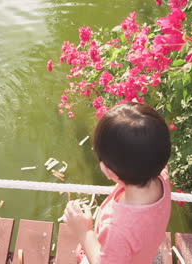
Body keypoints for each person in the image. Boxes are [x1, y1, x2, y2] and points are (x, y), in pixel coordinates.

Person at [63, 102, 172, 264]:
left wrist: (84, 231)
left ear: (108, 171)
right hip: (144, 252)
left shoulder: (119, 228)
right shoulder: (162, 177)